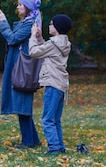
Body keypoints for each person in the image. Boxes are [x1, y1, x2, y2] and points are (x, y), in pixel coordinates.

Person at [0, 0, 43, 148]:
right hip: (19, 65)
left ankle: (28, 142)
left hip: (23, 68)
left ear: (28, 7)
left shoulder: (30, 24)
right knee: (21, 103)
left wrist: (3, 22)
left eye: (21, 4)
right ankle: (33, 140)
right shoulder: (28, 22)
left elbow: (13, 39)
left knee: (22, 104)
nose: (18, 7)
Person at [28, 14, 73, 156]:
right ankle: (60, 146)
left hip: (53, 84)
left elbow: (33, 52)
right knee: (55, 119)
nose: (49, 26)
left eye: (52, 24)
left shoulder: (53, 44)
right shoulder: (63, 43)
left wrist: (33, 37)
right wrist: (40, 38)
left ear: (57, 27)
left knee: (47, 119)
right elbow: (45, 48)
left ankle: (54, 148)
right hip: (61, 84)